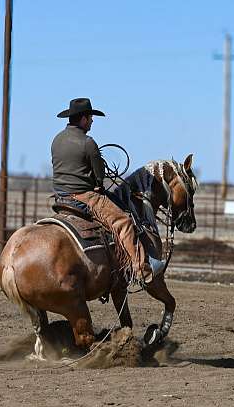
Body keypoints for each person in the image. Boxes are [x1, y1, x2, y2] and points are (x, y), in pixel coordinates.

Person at [51, 97, 165, 284]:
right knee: (124, 222)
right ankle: (142, 270)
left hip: (61, 195)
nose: (92, 121)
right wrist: (97, 184)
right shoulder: (88, 142)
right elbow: (99, 177)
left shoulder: (57, 139)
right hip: (84, 196)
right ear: (84, 119)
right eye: (90, 117)